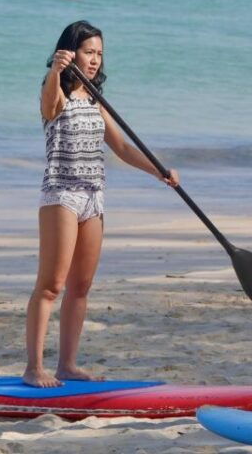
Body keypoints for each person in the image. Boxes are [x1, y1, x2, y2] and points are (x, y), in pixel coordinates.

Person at [25, 20, 179, 387]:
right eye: (88, 52)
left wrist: (159, 170)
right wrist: (55, 73)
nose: (94, 60)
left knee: (81, 286)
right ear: (70, 52)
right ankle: (34, 368)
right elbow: (49, 108)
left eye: (99, 54)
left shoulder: (94, 98)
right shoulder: (55, 92)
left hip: (94, 198)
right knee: (51, 285)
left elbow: (123, 148)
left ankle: (67, 365)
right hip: (61, 196)